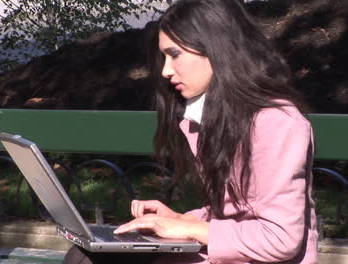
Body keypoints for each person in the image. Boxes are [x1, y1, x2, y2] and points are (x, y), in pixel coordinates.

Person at [63, 0, 318, 263]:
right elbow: (238, 210)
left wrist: (188, 229)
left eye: (174, 55)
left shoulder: (275, 122)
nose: (165, 70)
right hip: (228, 256)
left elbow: (280, 238)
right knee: (86, 255)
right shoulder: (209, 117)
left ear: (215, 47)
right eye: (164, 58)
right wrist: (182, 219)